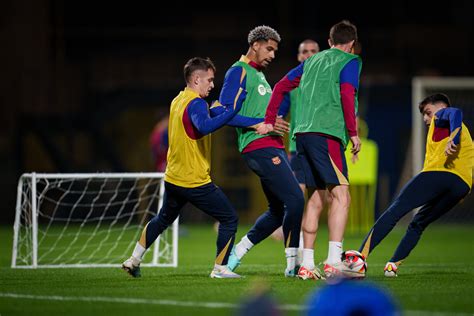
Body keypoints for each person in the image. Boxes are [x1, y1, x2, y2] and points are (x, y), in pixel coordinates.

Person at [122, 57, 246, 279]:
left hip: (173, 177)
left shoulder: (178, 100)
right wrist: (233, 109)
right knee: (229, 218)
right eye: (209, 80)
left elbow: (205, 119)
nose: (212, 84)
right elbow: (205, 126)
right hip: (193, 180)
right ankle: (220, 269)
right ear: (196, 79)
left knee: (162, 219)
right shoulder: (197, 103)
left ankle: (133, 259)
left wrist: (234, 114)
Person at [258, 20, 362, 278]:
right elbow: (347, 94)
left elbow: (281, 85)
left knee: (315, 199)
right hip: (327, 134)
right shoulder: (350, 61)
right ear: (352, 44)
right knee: (342, 196)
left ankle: (306, 265)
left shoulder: (311, 62)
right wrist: (353, 133)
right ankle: (333, 262)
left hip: (301, 136)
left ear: (329, 42)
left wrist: (270, 119)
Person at [211, 25, 305, 277]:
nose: (273, 55)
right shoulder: (237, 71)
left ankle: (235, 256)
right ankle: (293, 264)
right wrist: (258, 123)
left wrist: (272, 122)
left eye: (275, 50)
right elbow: (222, 112)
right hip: (257, 147)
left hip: (272, 146)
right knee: (296, 199)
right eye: (269, 48)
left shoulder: (259, 75)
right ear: (255, 44)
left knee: (277, 212)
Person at [358, 93, 472, 277]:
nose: (426, 119)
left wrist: (454, 138)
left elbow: (455, 112)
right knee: (418, 223)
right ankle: (392, 265)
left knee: (395, 210)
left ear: (441, 107)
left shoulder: (442, 117)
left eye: (428, 112)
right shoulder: (457, 131)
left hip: (439, 174)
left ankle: (359, 259)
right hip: (462, 186)